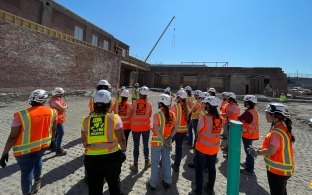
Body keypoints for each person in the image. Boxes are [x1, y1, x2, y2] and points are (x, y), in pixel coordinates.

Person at [0, 89, 57, 195]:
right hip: (43, 146)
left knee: (26, 173)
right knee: (38, 159)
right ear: (44, 100)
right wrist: (53, 140)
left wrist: (4, 153)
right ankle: (37, 180)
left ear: (31, 99)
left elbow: (12, 137)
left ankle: (27, 193)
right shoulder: (52, 112)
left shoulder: (20, 115)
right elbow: (54, 129)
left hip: (24, 151)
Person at [81, 90, 126, 195]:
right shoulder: (114, 118)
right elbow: (122, 139)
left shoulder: (85, 120)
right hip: (112, 158)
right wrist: (123, 150)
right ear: (109, 103)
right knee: (114, 185)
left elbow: (84, 142)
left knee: (94, 189)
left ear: (94, 103)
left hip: (91, 159)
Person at [248, 103, 295, 195]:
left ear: (275, 117)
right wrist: (259, 148)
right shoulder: (281, 128)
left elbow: (271, 151)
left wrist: (257, 152)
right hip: (283, 171)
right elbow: (273, 147)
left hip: (278, 172)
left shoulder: (276, 133)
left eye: (267, 114)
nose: (266, 116)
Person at [189, 96, 222, 195]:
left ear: (208, 106)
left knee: (199, 170)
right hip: (214, 149)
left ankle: (198, 191)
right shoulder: (220, 119)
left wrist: (202, 112)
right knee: (212, 168)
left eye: (205, 104)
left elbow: (198, 130)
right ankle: (210, 188)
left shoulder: (204, 118)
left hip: (202, 148)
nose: (203, 105)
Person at [147, 94, 177, 191]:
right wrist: (169, 137)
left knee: (155, 163)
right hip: (167, 143)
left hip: (157, 143)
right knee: (166, 162)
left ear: (161, 104)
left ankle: (152, 183)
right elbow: (176, 127)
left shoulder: (157, 115)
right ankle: (168, 181)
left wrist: (163, 140)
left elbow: (156, 129)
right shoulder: (172, 114)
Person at [129, 86, 153, 172]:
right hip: (146, 128)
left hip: (135, 128)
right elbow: (149, 115)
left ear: (139, 94)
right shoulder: (149, 104)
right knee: (145, 145)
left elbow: (130, 113)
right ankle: (147, 162)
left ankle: (135, 165)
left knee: (136, 146)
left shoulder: (134, 103)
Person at [238, 95, 259, 175]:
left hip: (248, 134)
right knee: (248, 150)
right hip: (251, 134)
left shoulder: (248, 113)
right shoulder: (253, 111)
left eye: (245, 101)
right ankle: (247, 163)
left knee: (249, 152)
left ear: (248, 103)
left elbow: (239, 118)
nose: (244, 103)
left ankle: (250, 169)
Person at [170, 89, 189, 172]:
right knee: (179, 149)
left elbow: (170, 118)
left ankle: (162, 162)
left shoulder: (175, 106)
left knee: (165, 146)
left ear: (180, 98)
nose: (176, 97)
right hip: (183, 131)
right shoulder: (186, 106)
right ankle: (176, 166)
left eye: (177, 96)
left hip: (175, 131)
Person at [48, 87, 68, 156]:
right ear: (58, 94)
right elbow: (62, 108)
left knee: (56, 133)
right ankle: (58, 149)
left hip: (59, 119)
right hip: (57, 120)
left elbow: (63, 106)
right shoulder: (54, 101)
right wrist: (65, 107)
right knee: (61, 133)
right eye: (62, 93)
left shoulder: (58, 99)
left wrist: (65, 106)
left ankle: (53, 146)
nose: (63, 94)